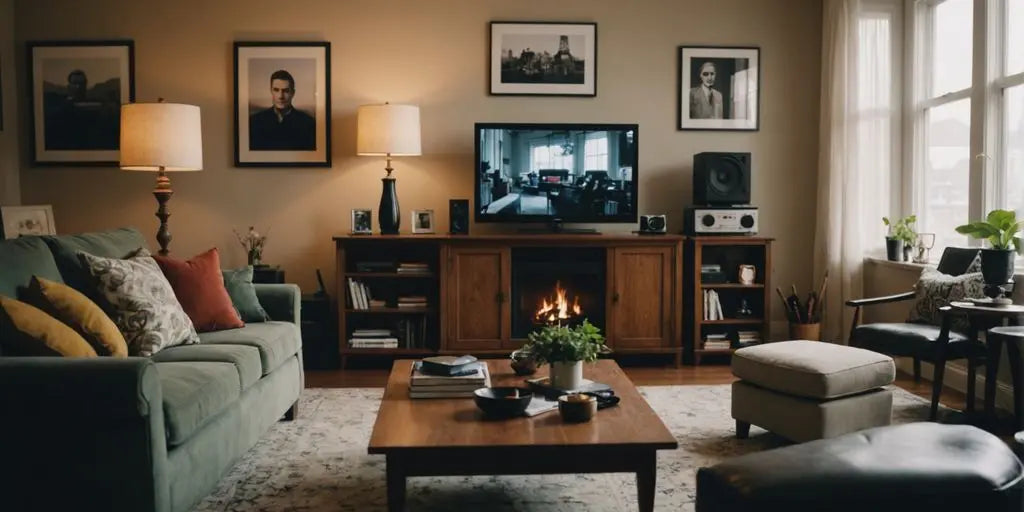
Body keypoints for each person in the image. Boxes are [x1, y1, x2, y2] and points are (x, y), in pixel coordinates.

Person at [249, 70, 316, 151]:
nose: (280, 96)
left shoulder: (308, 124)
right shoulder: (254, 122)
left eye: (286, 91)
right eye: (276, 90)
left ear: (293, 93)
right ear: (271, 91)